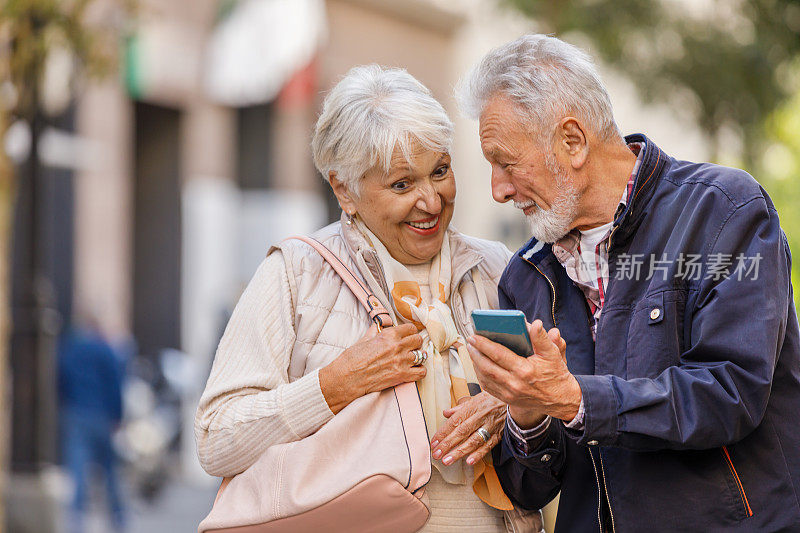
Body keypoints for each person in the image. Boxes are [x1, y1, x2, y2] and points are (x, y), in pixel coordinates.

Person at [456, 34, 800, 532]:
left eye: (506, 162)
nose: (498, 188)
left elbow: (731, 393)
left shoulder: (725, 212)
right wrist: (526, 412)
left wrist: (576, 400)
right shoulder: (526, 276)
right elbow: (528, 487)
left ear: (572, 141)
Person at [195, 65, 542, 532]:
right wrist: (333, 386)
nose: (431, 201)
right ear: (345, 189)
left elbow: (550, 396)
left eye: (440, 172)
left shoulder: (498, 267)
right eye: (402, 184)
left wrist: (507, 406)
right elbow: (216, 438)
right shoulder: (296, 272)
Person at [58, 320, 126, 533]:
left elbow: (61, 378)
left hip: (77, 414)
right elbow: (115, 383)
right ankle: (118, 517)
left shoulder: (71, 349)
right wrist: (117, 414)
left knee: (78, 468)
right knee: (109, 471)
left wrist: (66, 403)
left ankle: (76, 519)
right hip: (102, 416)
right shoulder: (105, 350)